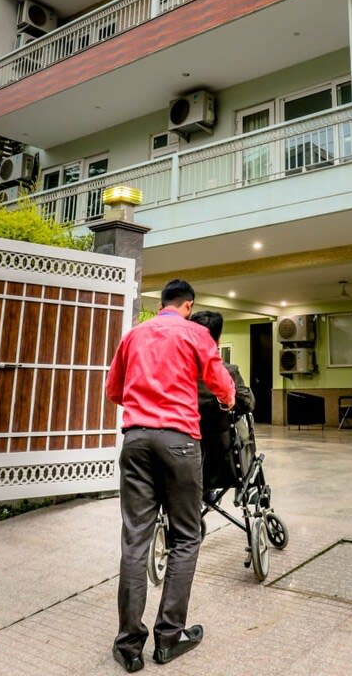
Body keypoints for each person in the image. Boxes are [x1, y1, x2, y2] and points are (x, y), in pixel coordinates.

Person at [106, 279, 236, 672]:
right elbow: (221, 384)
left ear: (162, 304)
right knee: (185, 536)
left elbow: (114, 390)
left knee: (135, 540)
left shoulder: (134, 335)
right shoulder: (196, 333)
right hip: (180, 442)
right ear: (188, 305)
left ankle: (129, 645)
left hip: (136, 440)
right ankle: (169, 637)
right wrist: (227, 400)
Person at [188, 310, 254, 496]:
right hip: (222, 461)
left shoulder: (177, 372)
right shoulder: (228, 372)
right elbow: (248, 403)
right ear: (217, 340)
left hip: (182, 454)